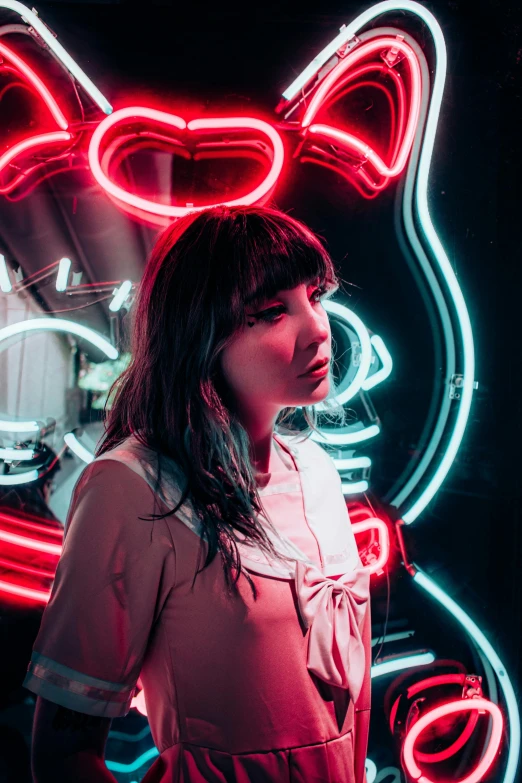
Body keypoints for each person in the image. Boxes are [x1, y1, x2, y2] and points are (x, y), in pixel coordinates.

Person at [23, 204, 372, 783]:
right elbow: (62, 754)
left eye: (316, 296)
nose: (317, 328)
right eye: (271, 311)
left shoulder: (316, 473)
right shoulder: (131, 489)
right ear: (198, 334)